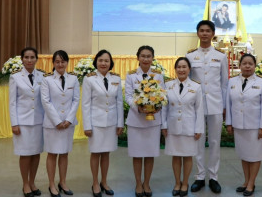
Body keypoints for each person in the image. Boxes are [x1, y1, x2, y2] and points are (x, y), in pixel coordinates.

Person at [186, 20, 228, 194]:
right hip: (196, 106)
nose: (204, 34)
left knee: (215, 141)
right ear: (197, 33)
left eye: (207, 31)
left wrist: (224, 105)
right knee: (198, 141)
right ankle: (200, 177)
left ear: (212, 34)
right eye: (201, 31)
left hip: (216, 104)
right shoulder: (189, 56)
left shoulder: (220, 56)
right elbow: (187, 81)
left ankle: (214, 177)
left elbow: (225, 83)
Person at [225, 54, 262, 196]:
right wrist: (229, 123)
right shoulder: (232, 81)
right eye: (244, 63)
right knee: (244, 155)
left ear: (254, 66)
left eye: (250, 63)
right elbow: (228, 103)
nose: (247, 66)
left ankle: (251, 183)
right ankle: (246, 181)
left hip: (255, 126)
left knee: (255, 156)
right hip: (239, 126)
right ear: (239, 65)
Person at [81, 50, 124, 197]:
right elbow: (85, 104)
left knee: (106, 153)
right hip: (95, 123)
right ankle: (95, 182)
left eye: (106, 60)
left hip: (111, 123)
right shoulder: (89, 79)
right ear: (96, 62)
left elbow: (119, 103)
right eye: (100, 60)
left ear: (110, 63)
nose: (103, 63)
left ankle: (104, 181)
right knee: (96, 153)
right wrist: (87, 126)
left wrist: (120, 123)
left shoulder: (116, 79)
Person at [125, 45, 165, 197]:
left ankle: (147, 183)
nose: (146, 59)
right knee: (137, 153)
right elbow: (128, 96)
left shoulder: (158, 76)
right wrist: (138, 107)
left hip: (152, 121)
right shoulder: (131, 75)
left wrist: (157, 106)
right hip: (136, 120)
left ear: (153, 58)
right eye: (143, 56)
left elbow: (162, 95)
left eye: (149, 56)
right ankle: (138, 184)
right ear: (138, 58)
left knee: (149, 153)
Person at [162, 57, 204, 197]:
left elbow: (199, 110)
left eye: (184, 67)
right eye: (179, 67)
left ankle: (185, 182)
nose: (181, 69)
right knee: (175, 156)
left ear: (189, 69)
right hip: (173, 126)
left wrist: (199, 129)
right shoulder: (168, 85)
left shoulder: (196, 86)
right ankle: (177, 182)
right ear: (175, 69)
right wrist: (164, 125)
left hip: (189, 127)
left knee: (187, 157)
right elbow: (164, 108)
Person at [41, 50, 80, 197]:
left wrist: (69, 119)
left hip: (68, 123)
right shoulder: (47, 80)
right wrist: (57, 121)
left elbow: (76, 100)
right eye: (57, 61)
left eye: (63, 61)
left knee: (64, 153)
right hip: (52, 124)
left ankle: (62, 182)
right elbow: (46, 101)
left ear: (67, 62)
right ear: (53, 63)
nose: (60, 64)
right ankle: (51, 184)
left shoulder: (73, 79)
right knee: (52, 154)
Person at [9, 47, 44, 197]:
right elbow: (12, 102)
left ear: (36, 59)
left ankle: (32, 182)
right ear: (22, 59)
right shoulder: (15, 77)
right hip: (22, 122)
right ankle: (25, 184)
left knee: (36, 153)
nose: (29, 60)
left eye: (32, 57)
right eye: (26, 57)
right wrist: (14, 123)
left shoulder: (43, 76)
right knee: (25, 154)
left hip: (39, 121)